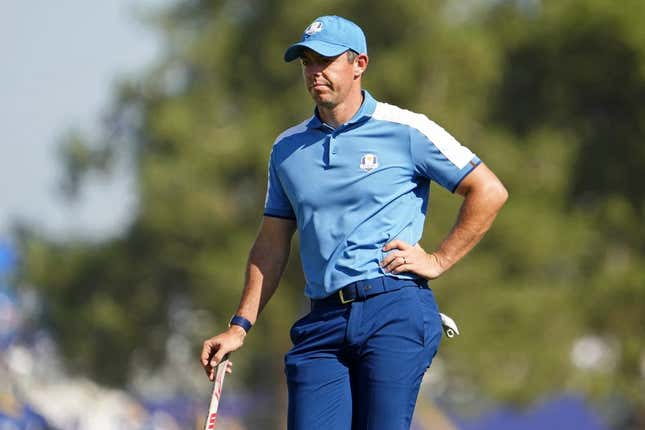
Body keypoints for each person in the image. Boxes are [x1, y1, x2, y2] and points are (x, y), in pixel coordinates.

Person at [201, 15, 508, 430]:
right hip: (323, 320)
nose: (314, 72)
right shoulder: (287, 148)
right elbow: (271, 245)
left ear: (359, 63)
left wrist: (438, 260)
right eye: (307, 62)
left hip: (393, 308)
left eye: (325, 60)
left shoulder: (407, 129)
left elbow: (488, 191)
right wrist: (239, 326)